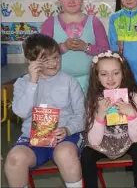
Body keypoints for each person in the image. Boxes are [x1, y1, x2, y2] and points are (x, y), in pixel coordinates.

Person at [4, 34, 85, 188]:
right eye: (45, 59)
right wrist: (32, 82)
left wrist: (67, 130)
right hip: (32, 139)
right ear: (30, 61)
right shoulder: (22, 83)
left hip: (66, 137)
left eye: (56, 57)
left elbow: (82, 115)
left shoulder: (69, 81)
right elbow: (20, 112)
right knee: (15, 159)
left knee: (66, 153)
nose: (53, 63)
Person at [80, 50, 137, 188]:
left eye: (116, 73)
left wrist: (131, 114)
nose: (110, 78)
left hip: (129, 139)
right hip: (103, 141)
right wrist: (99, 116)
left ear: (123, 73)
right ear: (97, 76)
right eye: (104, 74)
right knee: (86, 155)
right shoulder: (93, 100)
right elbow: (94, 141)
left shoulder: (135, 98)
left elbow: (136, 138)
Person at [41, 0, 109, 93]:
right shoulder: (50, 23)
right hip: (57, 82)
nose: (71, 1)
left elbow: (106, 51)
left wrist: (86, 47)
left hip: (89, 83)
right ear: (59, 0)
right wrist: (63, 47)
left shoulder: (94, 22)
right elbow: (41, 53)